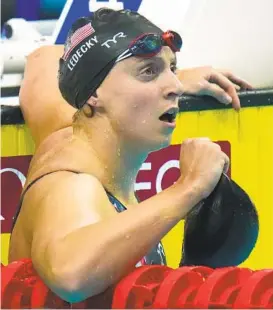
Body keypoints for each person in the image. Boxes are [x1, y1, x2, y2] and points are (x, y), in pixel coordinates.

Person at [9, 8, 251, 303]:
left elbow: (44, 60)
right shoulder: (72, 186)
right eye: (148, 71)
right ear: (94, 94)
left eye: (172, 69)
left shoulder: (63, 133)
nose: (175, 87)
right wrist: (189, 188)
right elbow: (70, 273)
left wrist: (152, 79)